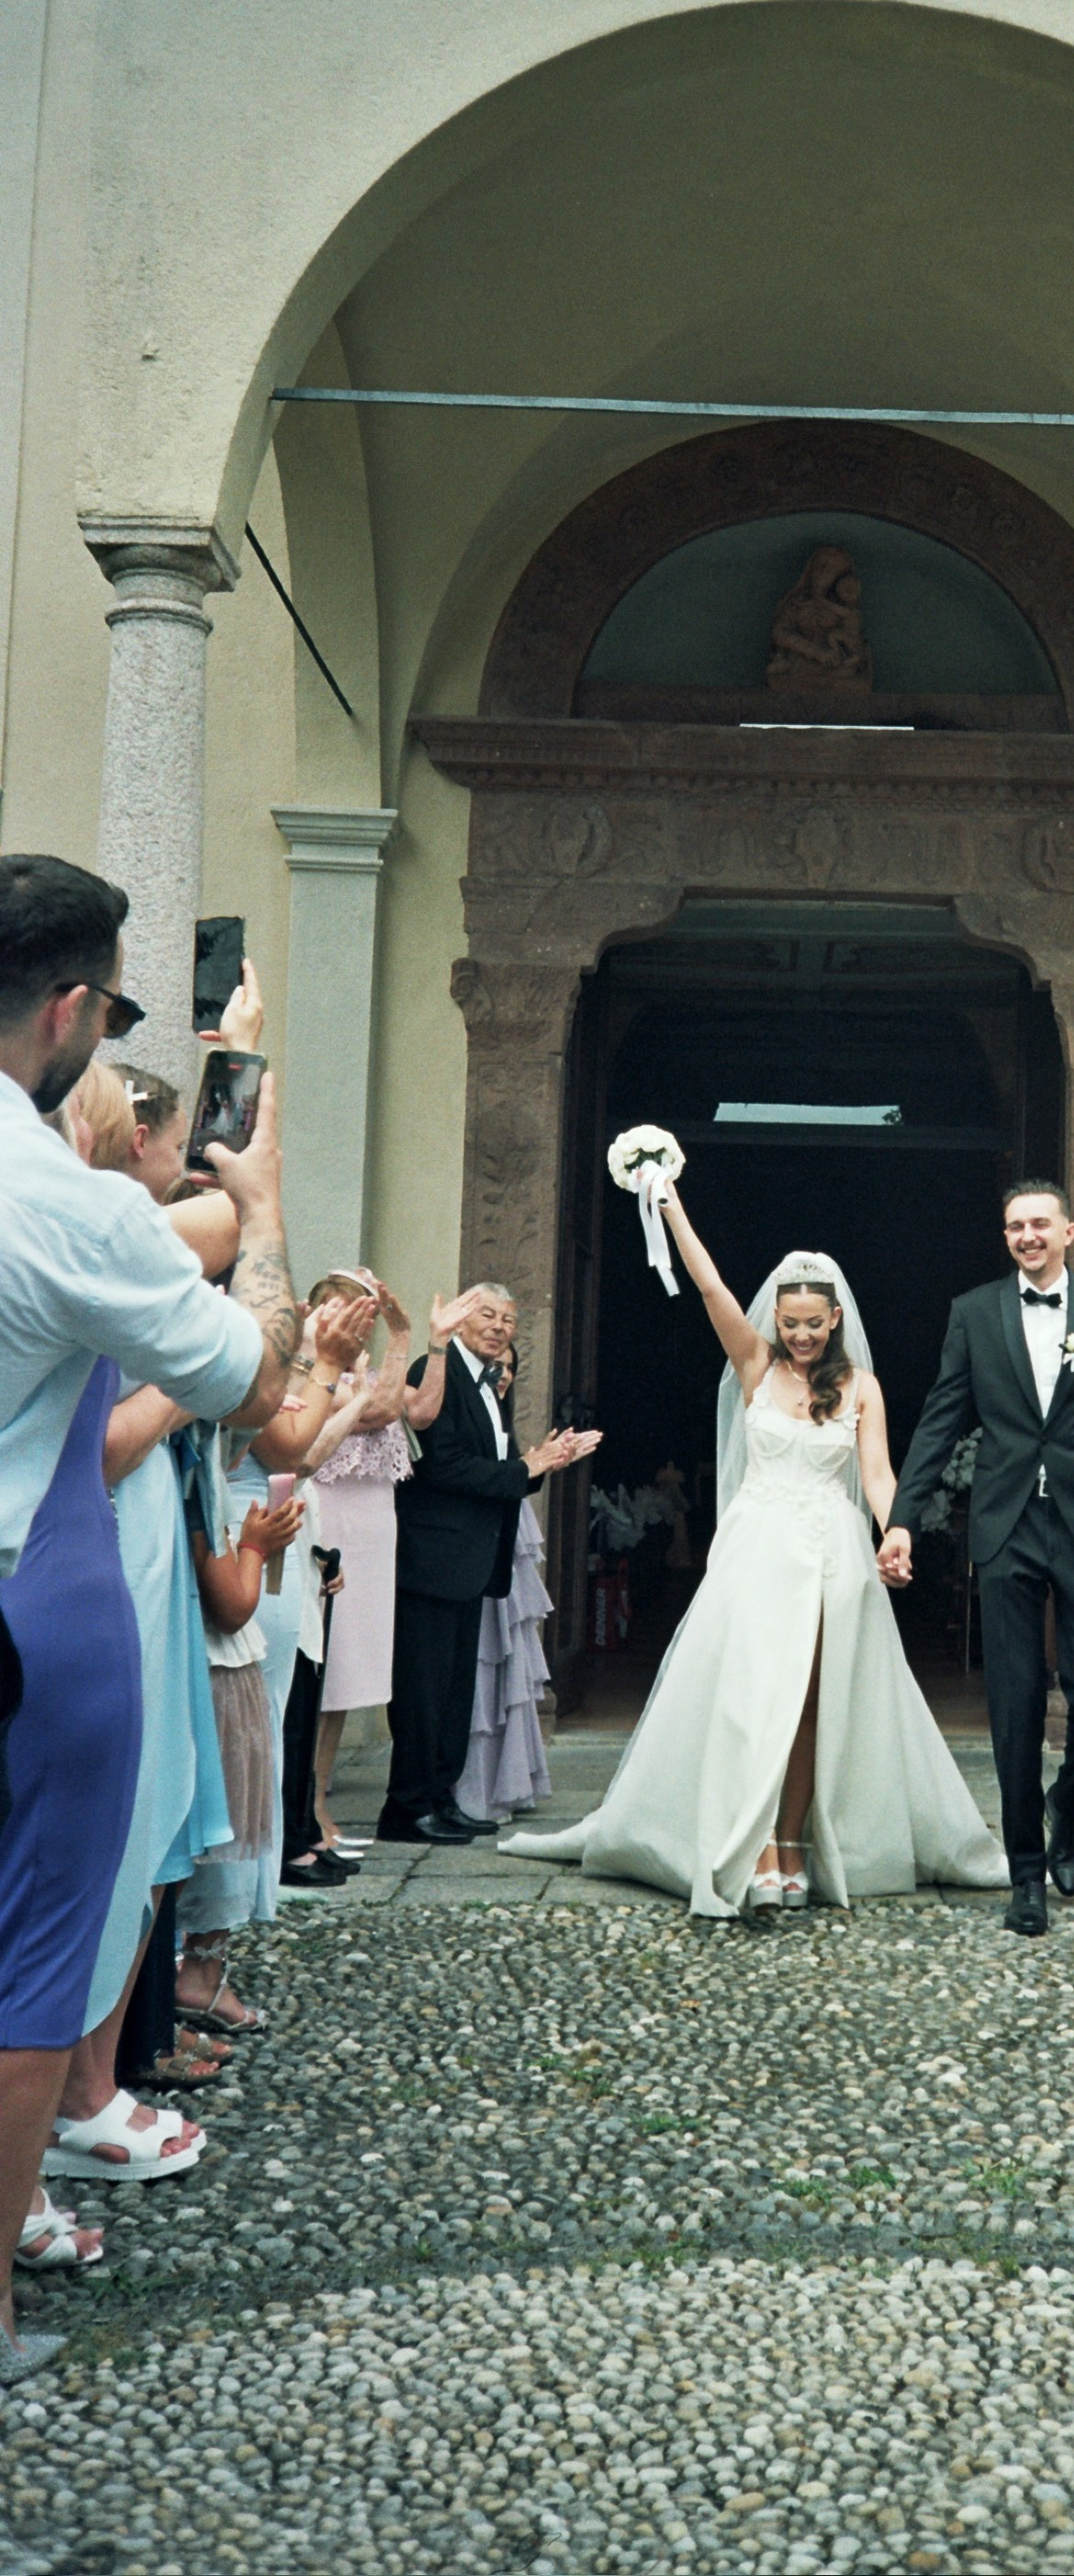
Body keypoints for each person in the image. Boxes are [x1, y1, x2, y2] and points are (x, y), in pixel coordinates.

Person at [0, 853, 297, 2381]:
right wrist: (257, 1211)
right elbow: (258, 1385)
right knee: (42, 1943)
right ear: (67, 1011)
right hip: (29, 1590)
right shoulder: (55, 1202)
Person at [501, 1193, 1005, 1915]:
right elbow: (711, 1287)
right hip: (758, 1548)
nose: (800, 1336)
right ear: (778, 1318)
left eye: (812, 1324)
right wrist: (670, 1207)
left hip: (833, 1551)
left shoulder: (863, 1387)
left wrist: (896, 1533)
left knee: (808, 1705)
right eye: (789, 1323)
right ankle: (755, 1842)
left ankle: (795, 1842)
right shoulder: (755, 1366)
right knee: (750, 1698)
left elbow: (878, 1476)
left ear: (836, 1320)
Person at [877, 1182, 1074, 1938]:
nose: (1027, 1236)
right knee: (1014, 1702)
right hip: (1006, 1524)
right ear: (1005, 1238)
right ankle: (1025, 1874)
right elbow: (942, 1417)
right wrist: (903, 1518)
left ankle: (1067, 1803)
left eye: (1039, 1224)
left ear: (1069, 1228)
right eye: (1014, 1227)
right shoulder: (974, 1312)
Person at [383, 1288, 597, 1846]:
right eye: (488, 1315)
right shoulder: (438, 1370)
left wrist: (543, 1462)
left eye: (510, 1319)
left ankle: (442, 1797)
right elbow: (442, 1467)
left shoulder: (491, 1382)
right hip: (433, 1556)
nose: (500, 1327)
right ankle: (406, 1806)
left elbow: (501, 1469)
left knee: (456, 1691)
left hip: (473, 1557)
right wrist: (523, 1466)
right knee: (423, 1689)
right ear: (458, 1318)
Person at [309, 1276, 490, 1845]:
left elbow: (421, 1410)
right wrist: (403, 1335)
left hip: (372, 1536)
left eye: (360, 1307)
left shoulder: (361, 1376)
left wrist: (432, 1345)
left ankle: (316, 1807)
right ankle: (307, 1812)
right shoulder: (314, 1375)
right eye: (338, 1306)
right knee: (321, 1675)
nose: (352, 1317)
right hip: (331, 1528)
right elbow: (383, 1410)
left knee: (345, 1681)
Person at [457, 1333, 557, 1824]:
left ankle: (508, 1780)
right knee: (478, 1659)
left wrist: (542, 1465)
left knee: (509, 1654)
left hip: (507, 1537)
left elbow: (515, 1472)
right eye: (493, 1364)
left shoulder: (501, 1420)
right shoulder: (463, 1412)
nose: (502, 1375)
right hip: (471, 1543)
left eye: (510, 1368)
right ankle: (472, 1785)